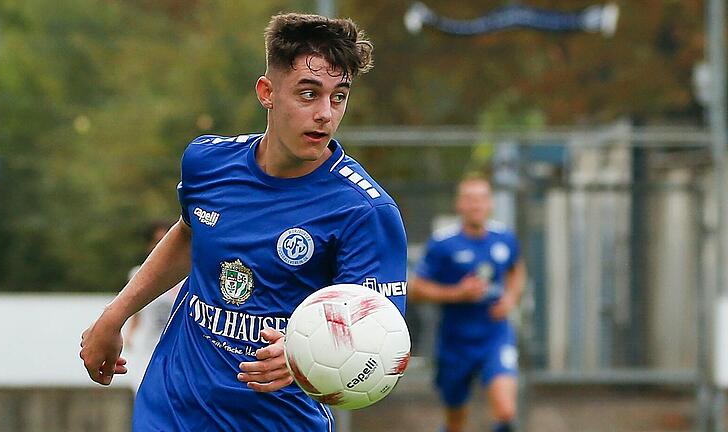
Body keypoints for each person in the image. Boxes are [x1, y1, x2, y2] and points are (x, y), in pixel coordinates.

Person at [79, 12, 408, 432]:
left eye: (338, 96)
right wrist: (115, 315)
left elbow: (377, 339)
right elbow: (189, 233)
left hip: (277, 421)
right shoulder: (208, 162)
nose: (325, 113)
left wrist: (297, 354)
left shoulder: (366, 211)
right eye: (308, 94)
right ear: (267, 92)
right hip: (173, 407)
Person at [410, 174, 526, 432]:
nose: (476, 205)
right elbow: (415, 289)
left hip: (494, 335)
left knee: (506, 411)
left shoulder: (503, 238)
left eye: (482, 199)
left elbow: (517, 271)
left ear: (490, 204)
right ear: (459, 205)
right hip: (455, 341)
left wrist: (509, 299)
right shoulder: (443, 244)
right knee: (455, 422)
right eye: (470, 199)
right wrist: (458, 294)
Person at [123, 220, 183, 391]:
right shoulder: (138, 275)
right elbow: (136, 313)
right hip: (147, 350)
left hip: (178, 351)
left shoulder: (189, 277)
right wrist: (129, 335)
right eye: (157, 241)